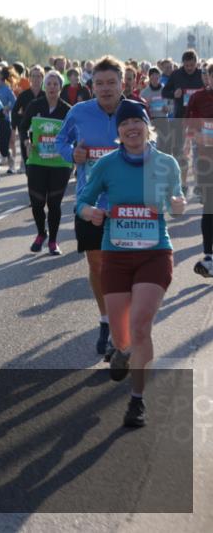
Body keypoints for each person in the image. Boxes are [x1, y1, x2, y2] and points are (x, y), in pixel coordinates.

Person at [76, 100, 186, 427]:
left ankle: (137, 400)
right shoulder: (107, 165)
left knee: (141, 325)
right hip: (116, 255)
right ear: (118, 132)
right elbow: (83, 201)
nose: (131, 128)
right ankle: (121, 349)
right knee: (123, 337)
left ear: (147, 126)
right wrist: (90, 213)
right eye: (125, 124)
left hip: (155, 253)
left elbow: (177, 204)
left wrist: (178, 204)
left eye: (137, 122)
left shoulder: (166, 163)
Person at [56, 56, 127, 357]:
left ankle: (123, 326)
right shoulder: (79, 112)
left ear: (124, 84)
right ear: (92, 85)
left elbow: (154, 151)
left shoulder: (136, 112)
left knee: (125, 269)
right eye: (100, 83)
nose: (106, 88)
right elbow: (60, 142)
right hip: (90, 203)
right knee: (97, 264)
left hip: (127, 204)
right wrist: (73, 155)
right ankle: (106, 320)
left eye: (111, 82)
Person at [20, 71, 73, 255]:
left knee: (54, 203)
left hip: (59, 164)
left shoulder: (67, 110)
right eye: (49, 84)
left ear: (60, 87)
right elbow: (23, 126)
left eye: (55, 84)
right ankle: (41, 233)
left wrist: (71, 149)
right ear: (44, 86)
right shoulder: (35, 106)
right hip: (37, 160)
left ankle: (53, 241)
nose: (52, 87)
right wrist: (27, 141)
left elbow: (74, 133)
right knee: (37, 202)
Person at [165, 49, 205, 195]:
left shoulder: (202, 74)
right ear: (183, 64)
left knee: (199, 152)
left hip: (198, 120)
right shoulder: (176, 75)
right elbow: (164, 92)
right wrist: (173, 94)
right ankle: (182, 184)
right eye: (186, 65)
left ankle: (200, 184)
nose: (189, 68)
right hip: (180, 118)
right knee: (181, 153)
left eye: (191, 65)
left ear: (196, 63)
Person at [184, 75, 213, 277]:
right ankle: (209, 255)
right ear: (208, 78)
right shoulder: (198, 98)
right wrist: (193, 136)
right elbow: (189, 121)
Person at [13, 64, 46, 167]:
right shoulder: (23, 95)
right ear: (29, 78)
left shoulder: (46, 95)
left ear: (42, 78)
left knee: (42, 161)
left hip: (43, 133)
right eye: (33, 76)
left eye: (39, 76)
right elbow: (14, 112)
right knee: (28, 161)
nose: (36, 79)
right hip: (27, 132)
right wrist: (21, 122)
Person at [0, 66, 17, 173]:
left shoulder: (6, 88)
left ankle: (11, 163)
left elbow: (15, 102)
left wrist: (7, 107)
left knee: (4, 148)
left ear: (1, 76)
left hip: (4, 121)